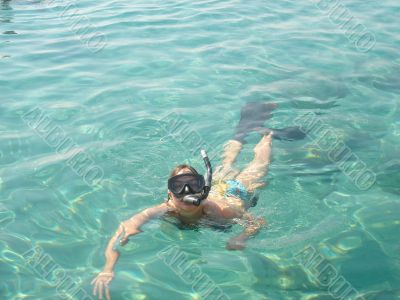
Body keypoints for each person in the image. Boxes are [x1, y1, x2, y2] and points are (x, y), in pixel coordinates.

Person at [91, 102, 304, 300]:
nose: (186, 193)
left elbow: (257, 222)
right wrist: (108, 269)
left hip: (235, 192)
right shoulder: (163, 209)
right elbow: (123, 228)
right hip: (218, 186)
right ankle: (242, 133)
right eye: (178, 186)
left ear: (202, 188)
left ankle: (267, 136)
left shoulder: (219, 212)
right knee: (226, 163)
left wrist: (241, 238)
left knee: (257, 168)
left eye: (192, 185)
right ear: (169, 194)